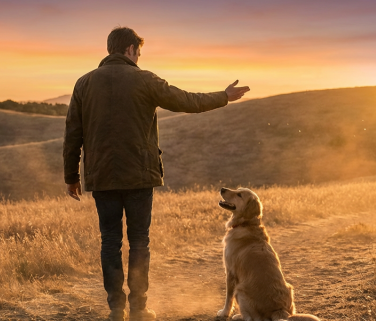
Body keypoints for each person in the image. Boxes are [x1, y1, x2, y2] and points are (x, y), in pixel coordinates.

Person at [63, 26, 250, 321]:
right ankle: (139, 308)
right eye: (138, 51)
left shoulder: (84, 83)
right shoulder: (145, 79)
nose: (138, 56)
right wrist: (223, 96)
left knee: (109, 240)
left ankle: (115, 309)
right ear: (130, 50)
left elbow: (73, 133)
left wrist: (71, 176)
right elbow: (187, 101)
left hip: (102, 177)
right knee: (139, 240)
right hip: (140, 176)